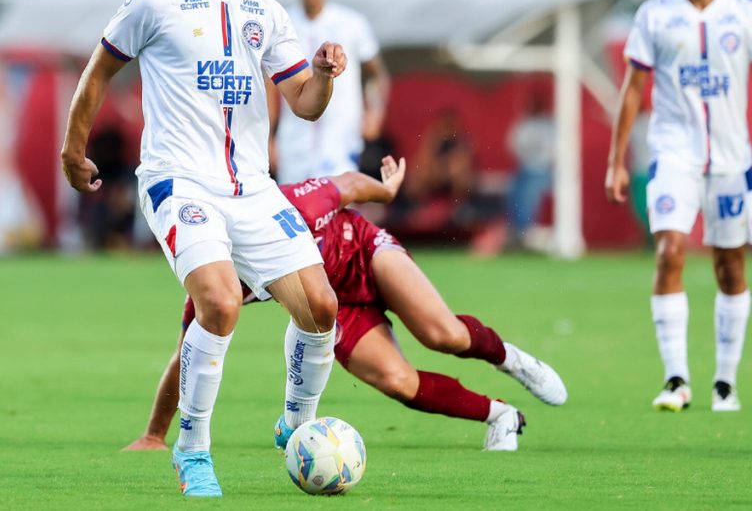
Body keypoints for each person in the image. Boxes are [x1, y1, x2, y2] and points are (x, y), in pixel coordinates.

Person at [61, 0, 347, 498]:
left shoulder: (266, 10)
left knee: (322, 309)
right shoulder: (154, 1)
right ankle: (191, 449)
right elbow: (98, 72)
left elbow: (305, 103)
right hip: (179, 180)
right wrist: (72, 149)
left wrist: (324, 76)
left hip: (253, 188)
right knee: (219, 304)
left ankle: (297, 422)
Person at [124, 156, 567, 454]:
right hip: (332, 306)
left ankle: (511, 359)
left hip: (365, 253)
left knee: (442, 335)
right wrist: (154, 434)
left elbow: (349, 185)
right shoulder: (214, 278)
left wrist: (386, 192)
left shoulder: (294, 204)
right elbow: (187, 357)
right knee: (399, 382)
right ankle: (502, 415)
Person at [605, 0, 752, 413]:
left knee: (731, 264)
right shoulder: (655, 15)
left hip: (732, 160)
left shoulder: (743, 13)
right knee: (669, 251)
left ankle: (725, 382)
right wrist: (616, 161)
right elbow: (633, 90)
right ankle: (676, 379)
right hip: (673, 154)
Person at [271, 0, 390, 184]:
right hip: (294, 141)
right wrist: (268, 137)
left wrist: (375, 112)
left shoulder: (352, 23)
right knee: (294, 203)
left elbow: (376, 73)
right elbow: (268, 82)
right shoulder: (282, 24)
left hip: (340, 139)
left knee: (337, 200)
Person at [505, 91, 555, 249]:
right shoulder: (523, 123)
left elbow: (552, 152)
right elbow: (513, 145)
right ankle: (516, 232)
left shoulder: (549, 125)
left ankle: (526, 234)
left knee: (528, 194)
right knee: (512, 193)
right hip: (524, 169)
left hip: (543, 171)